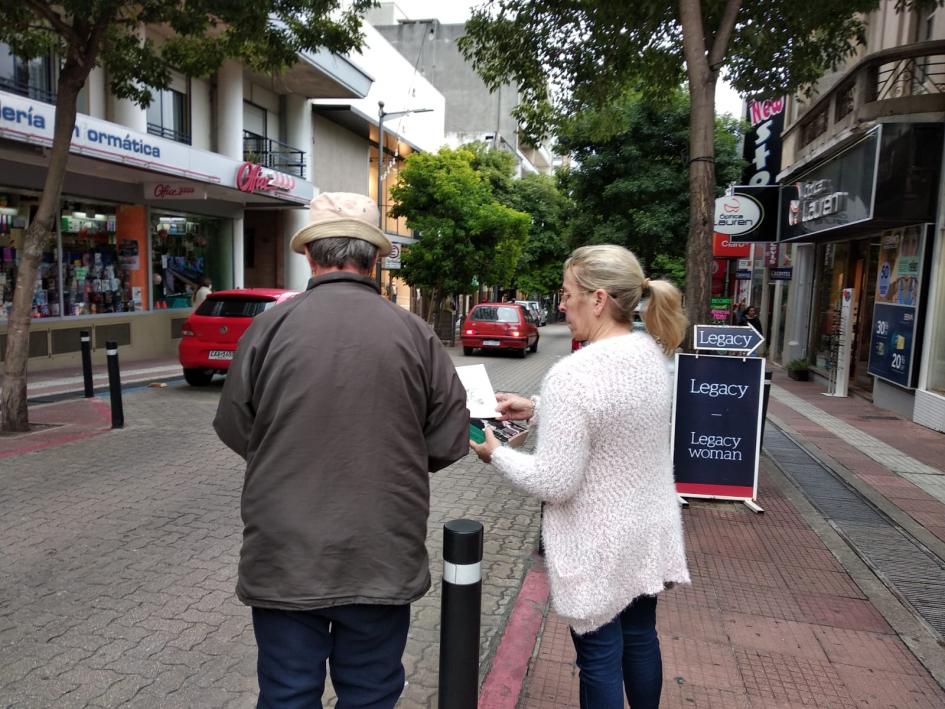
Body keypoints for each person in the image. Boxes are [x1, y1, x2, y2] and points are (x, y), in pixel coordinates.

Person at [213, 192, 469, 708]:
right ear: (375, 259)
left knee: (287, 693)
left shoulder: (268, 328)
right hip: (380, 547)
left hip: (285, 553)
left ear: (310, 255)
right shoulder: (416, 334)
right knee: (372, 693)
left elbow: (237, 428)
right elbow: (447, 438)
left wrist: (289, 455)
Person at [470, 244, 690, 709]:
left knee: (600, 657)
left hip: (598, 540)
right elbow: (615, 419)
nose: (561, 305)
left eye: (568, 294)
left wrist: (496, 454)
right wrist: (538, 408)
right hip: (646, 527)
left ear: (599, 299)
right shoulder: (651, 355)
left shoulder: (573, 375)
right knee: (641, 637)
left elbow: (554, 480)